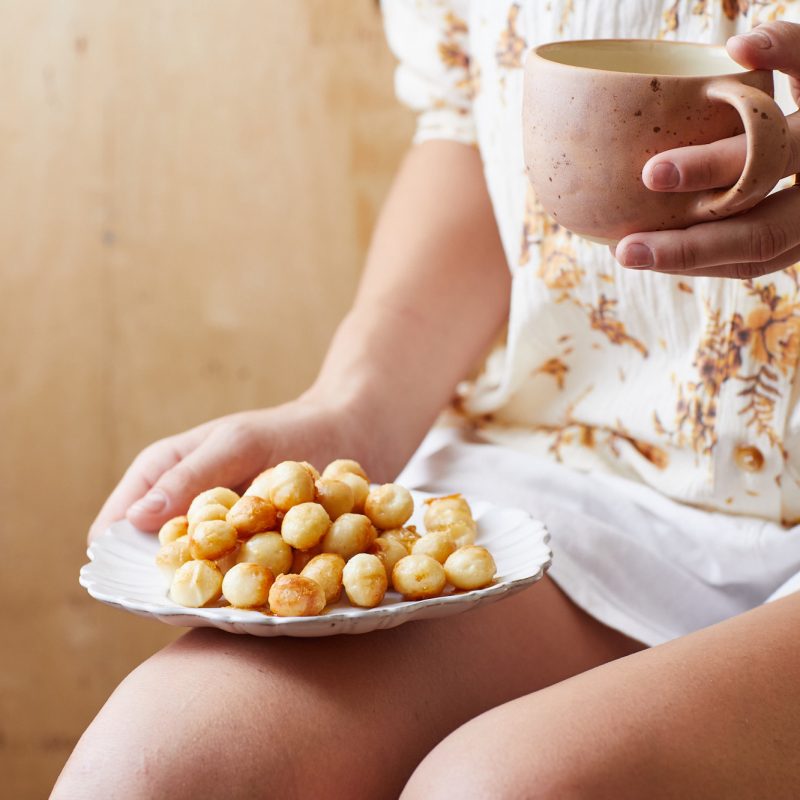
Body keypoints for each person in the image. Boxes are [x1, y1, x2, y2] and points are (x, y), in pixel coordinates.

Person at [53, 2, 800, 798]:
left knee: (499, 789)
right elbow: (474, 121)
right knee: (149, 771)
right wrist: (353, 409)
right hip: (574, 470)